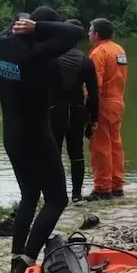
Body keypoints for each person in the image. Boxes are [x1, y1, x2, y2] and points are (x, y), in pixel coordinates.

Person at [0, 7, 84, 273]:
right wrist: (39, 28)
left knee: (30, 194)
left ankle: (16, 258)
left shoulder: (1, 43)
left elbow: (21, 21)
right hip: (36, 133)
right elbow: (75, 32)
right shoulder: (35, 54)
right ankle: (27, 259)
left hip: (11, 132)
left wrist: (29, 22)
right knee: (57, 198)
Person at [48, 19, 99, 202]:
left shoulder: (51, 57)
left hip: (55, 111)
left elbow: (40, 87)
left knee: (54, 152)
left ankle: (56, 194)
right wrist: (93, 118)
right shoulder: (86, 60)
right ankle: (76, 195)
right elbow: (93, 93)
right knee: (76, 152)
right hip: (78, 111)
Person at [85, 18, 128, 201]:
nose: (88, 34)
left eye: (90, 30)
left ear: (96, 34)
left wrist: (89, 110)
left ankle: (102, 187)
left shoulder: (99, 52)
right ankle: (117, 184)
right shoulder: (119, 50)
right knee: (115, 143)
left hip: (103, 103)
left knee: (100, 145)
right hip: (118, 101)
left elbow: (95, 85)